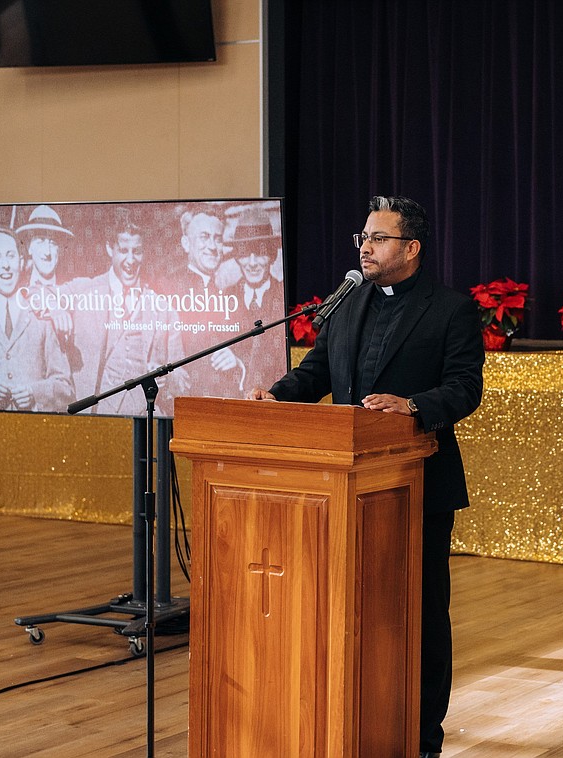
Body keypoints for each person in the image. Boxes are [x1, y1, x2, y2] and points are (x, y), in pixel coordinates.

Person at [249, 195, 484, 757]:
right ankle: (356, 719)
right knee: (350, 608)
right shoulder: (348, 304)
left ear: (411, 248)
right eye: (363, 238)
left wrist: (413, 406)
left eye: (377, 239)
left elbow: (464, 388)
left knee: (421, 611)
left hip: (416, 486)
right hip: (343, 487)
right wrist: (276, 398)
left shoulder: (450, 309)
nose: (365, 247)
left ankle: (424, 735)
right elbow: (315, 374)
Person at [61, 214, 187, 415]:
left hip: (144, 419)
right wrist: (57, 310)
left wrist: (168, 377)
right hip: (94, 416)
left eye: (137, 252)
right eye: (123, 251)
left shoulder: (163, 308)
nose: (131, 260)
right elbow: (36, 295)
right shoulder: (84, 290)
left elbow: (182, 379)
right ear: (110, 249)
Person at [0, 227, 73, 412]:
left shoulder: (43, 317)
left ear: (21, 262)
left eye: (11, 256)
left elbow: (66, 388)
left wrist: (35, 393)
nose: (5, 265)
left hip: (34, 430)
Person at [164, 204, 245, 397]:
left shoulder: (236, 292)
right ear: (186, 243)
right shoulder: (166, 289)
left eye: (217, 239)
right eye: (204, 237)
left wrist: (238, 362)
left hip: (227, 404)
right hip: (180, 406)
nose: (212, 247)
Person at [225, 208, 287, 390]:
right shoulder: (224, 298)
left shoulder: (283, 300)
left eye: (259, 253)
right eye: (245, 253)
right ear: (237, 256)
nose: (252, 263)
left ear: (272, 255)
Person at [18, 204, 73, 288]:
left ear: (59, 249)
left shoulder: (70, 289)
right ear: (29, 247)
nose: (47, 252)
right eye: (40, 241)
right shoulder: (17, 290)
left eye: (52, 243)